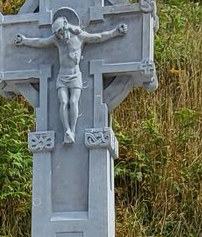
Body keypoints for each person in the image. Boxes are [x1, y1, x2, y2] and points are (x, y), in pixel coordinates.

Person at [15, 15, 127, 143]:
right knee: (63, 102)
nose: (62, 37)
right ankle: (67, 130)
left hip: (75, 76)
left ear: (66, 27)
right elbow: (41, 42)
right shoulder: (56, 40)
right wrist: (24, 40)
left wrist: (116, 32)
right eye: (59, 35)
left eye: (62, 33)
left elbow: (99, 37)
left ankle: (72, 130)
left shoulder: (79, 36)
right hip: (62, 77)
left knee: (73, 102)